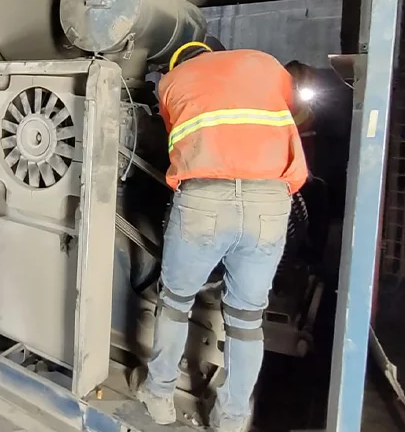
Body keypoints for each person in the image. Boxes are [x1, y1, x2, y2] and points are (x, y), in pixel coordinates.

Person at [132, 42, 308, 432]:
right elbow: (288, 106)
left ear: (179, 61)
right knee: (247, 318)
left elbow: (174, 136)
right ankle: (230, 417)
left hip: (205, 198)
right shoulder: (264, 62)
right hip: (269, 200)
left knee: (175, 301)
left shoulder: (172, 81)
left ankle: (159, 396)